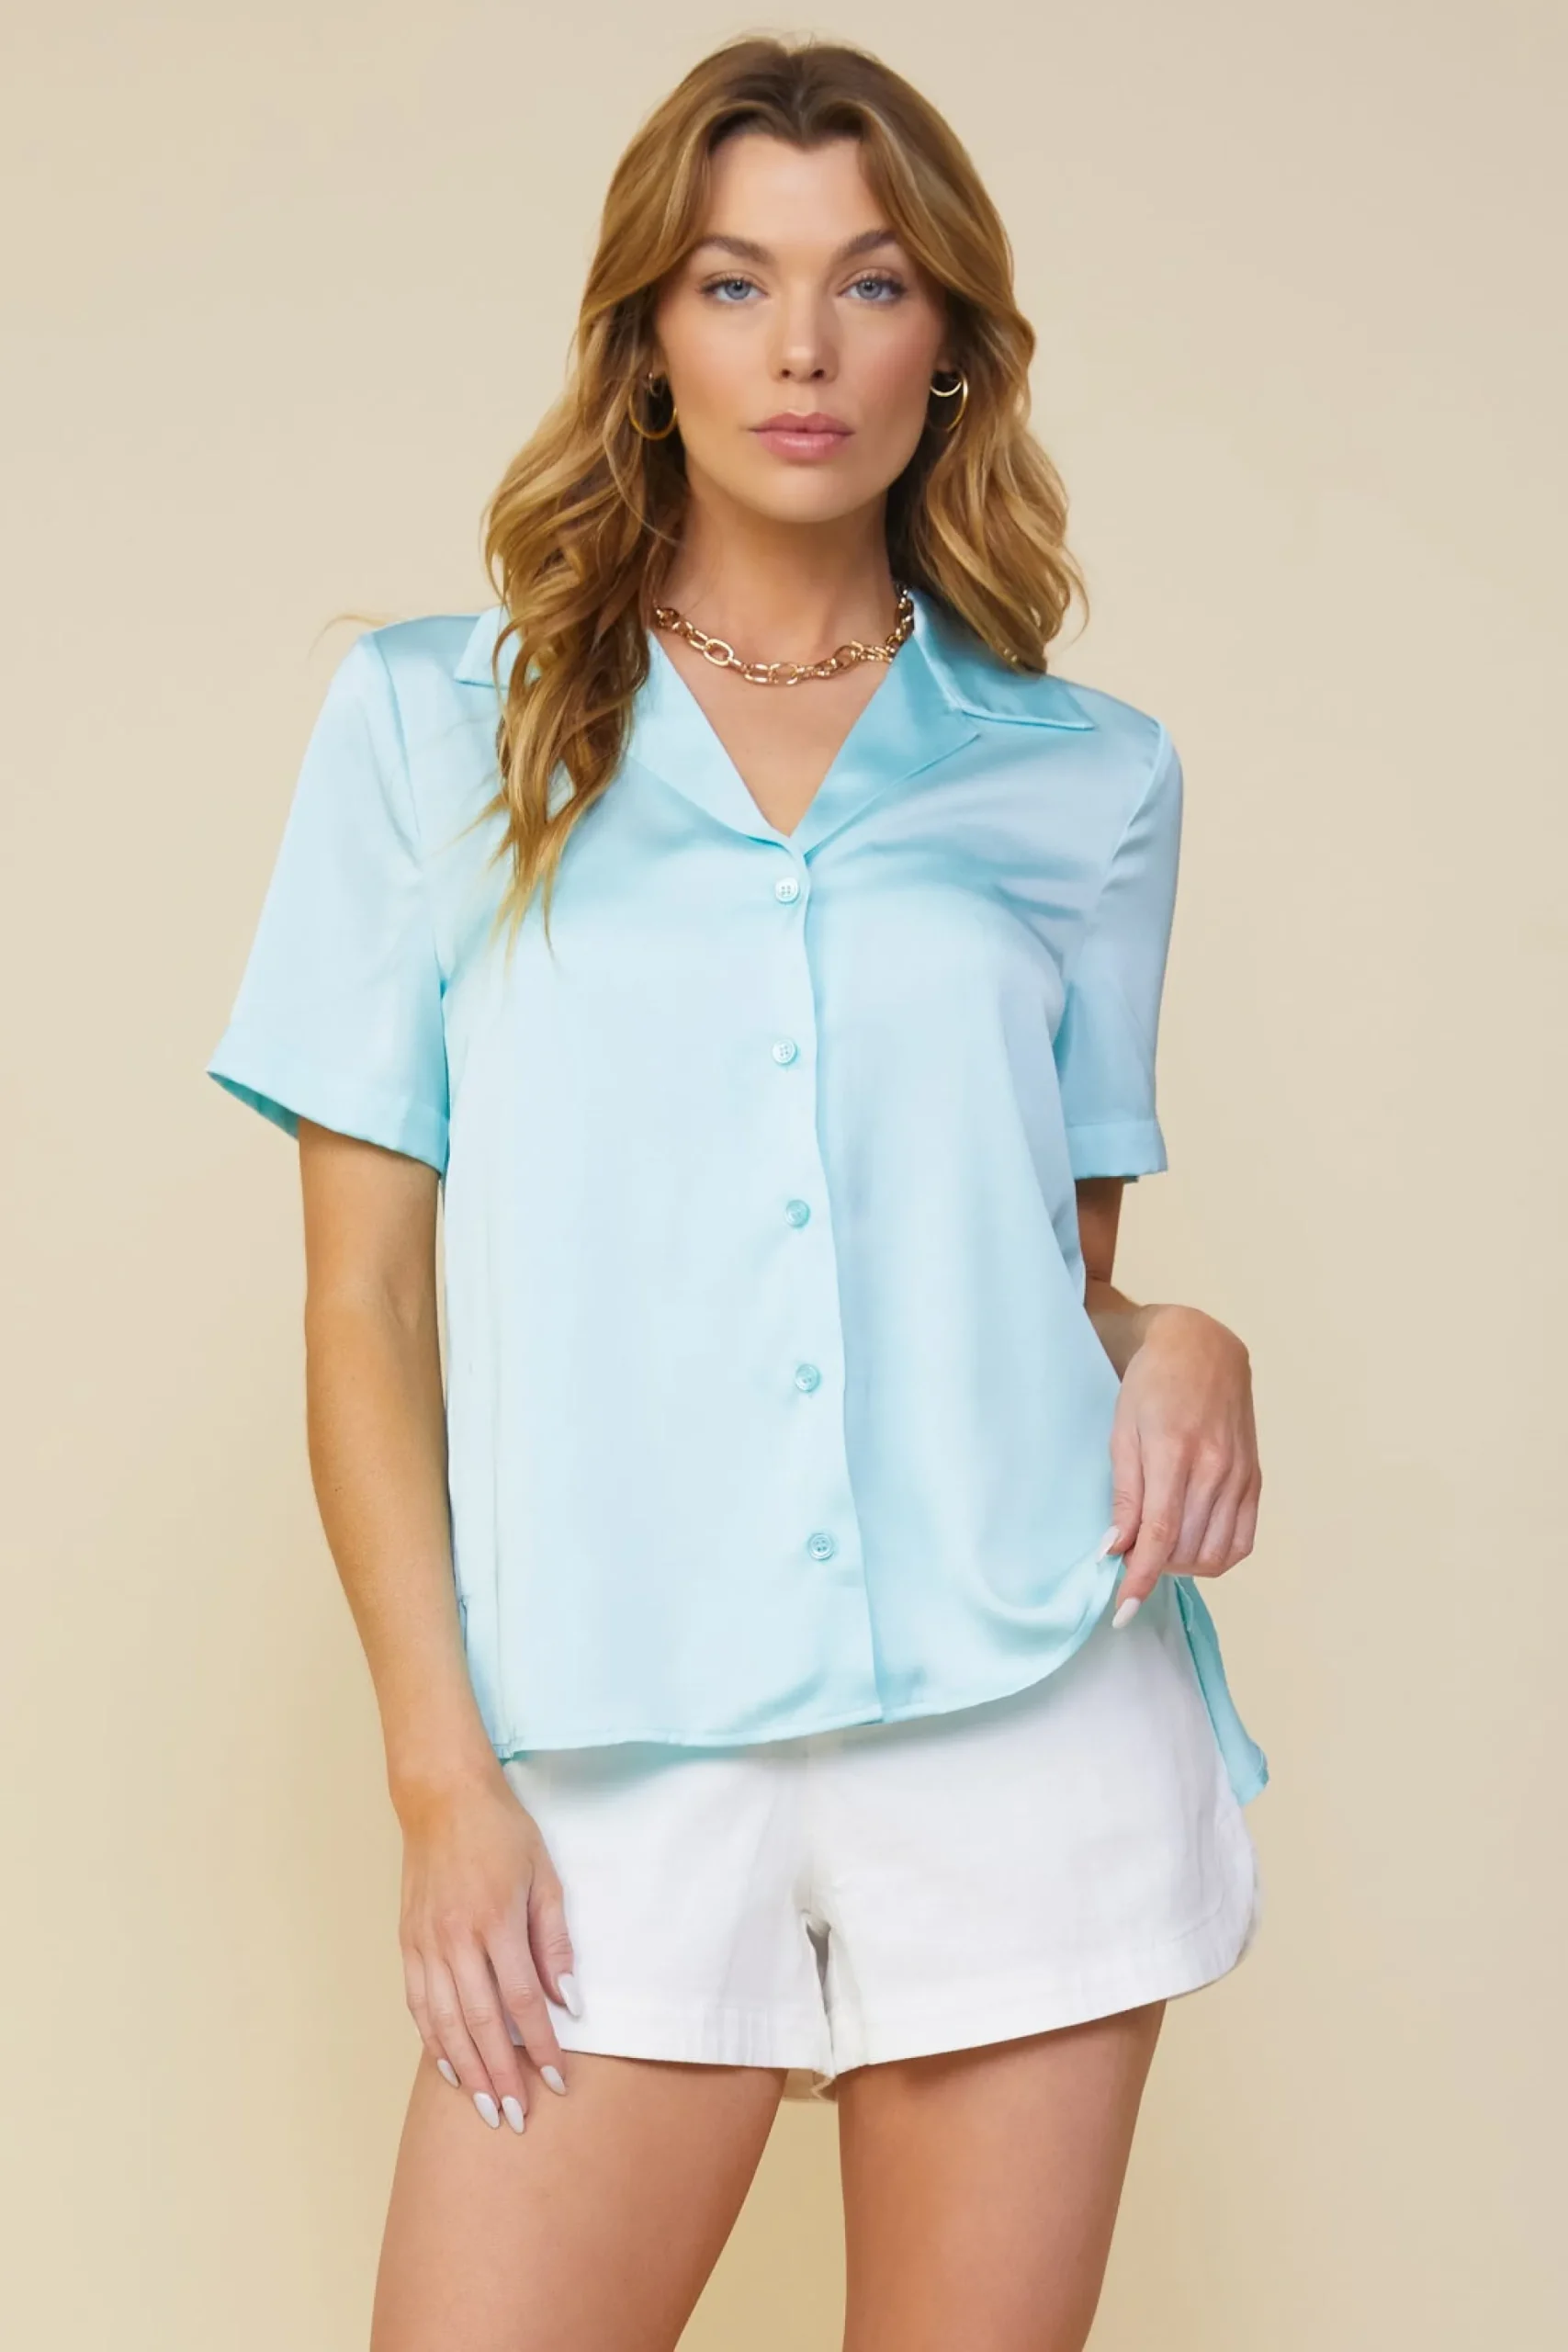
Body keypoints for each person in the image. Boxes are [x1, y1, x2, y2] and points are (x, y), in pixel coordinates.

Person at [206, 33, 1269, 2352]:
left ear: (947, 347)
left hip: (1021, 1719)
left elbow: (1037, 1281)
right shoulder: (431, 729)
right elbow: (362, 1304)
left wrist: (1178, 1339)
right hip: (603, 1739)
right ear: (646, 336)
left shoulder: (1086, 779)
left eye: (868, 284)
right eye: (732, 282)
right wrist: (439, 1775)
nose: (801, 348)